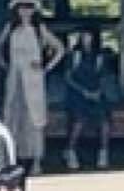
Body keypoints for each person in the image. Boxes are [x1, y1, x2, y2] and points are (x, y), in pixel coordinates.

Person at [50, 29, 120, 173]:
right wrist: (84, 92)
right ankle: (70, 150)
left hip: (96, 94)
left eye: (89, 36)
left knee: (104, 121)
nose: (86, 39)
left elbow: (104, 77)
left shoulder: (100, 57)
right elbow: (68, 77)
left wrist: (98, 91)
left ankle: (103, 152)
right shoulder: (74, 56)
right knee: (78, 121)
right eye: (83, 36)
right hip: (77, 94)